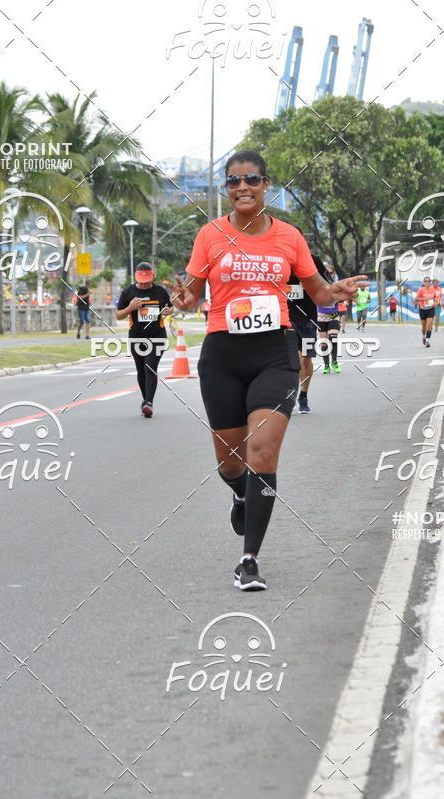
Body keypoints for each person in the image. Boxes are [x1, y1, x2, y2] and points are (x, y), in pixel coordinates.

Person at [171, 150, 366, 591]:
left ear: (266, 185)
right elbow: (191, 289)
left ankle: (249, 560)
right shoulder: (210, 234)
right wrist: (182, 299)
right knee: (230, 461)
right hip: (222, 353)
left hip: (275, 352)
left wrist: (334, 292)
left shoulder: (289, 237)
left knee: (263, 451)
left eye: (252, 180)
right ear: (226, 188)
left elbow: (316, 291)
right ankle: (240, 492)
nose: (242, 188)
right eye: (233, 181)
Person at [116, 262, 172, 418]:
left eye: (147, 280)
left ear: (152, 276)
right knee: (141, 369)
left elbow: (170, 307)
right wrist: (130, 308)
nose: (144, 283)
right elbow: (118, 315)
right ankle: (146, 399)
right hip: (136, 336)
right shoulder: (128, 292)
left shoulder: (160, 291)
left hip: (157, 336)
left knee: (150, 367)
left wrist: (168, 310)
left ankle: (148, 403)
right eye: (141, 280)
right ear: (136, 277)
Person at [287, 251, 331, 412]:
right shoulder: (275, 258)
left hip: (308, 320)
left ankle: (303, 396)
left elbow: (327, 285)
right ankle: (289, 396)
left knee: (305, 359)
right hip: (284, 317)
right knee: (292, 361)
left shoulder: (312, 260)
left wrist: (309, 284)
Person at [317, 302, 341, 374]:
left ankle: (334, 362)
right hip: (321, 315)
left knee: (333, 338)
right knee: (324, 343)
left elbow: (341, 297)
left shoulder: (334, 290)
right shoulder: (318, 290)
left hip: (333, 315)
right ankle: (326, 365)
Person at [413, 276, 438, 347]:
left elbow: (435, 297)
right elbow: (416, 299)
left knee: (429, 325)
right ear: (424, 282)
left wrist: (436, 302)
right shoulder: (421, 290)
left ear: (430, 282)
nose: (427, 282)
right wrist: (424, 299)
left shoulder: (433, 290)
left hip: (431, 309)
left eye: (428, 281)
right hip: (423, 309)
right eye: (425, 281)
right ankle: (424, 336)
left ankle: (427, 340)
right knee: (423, 327)